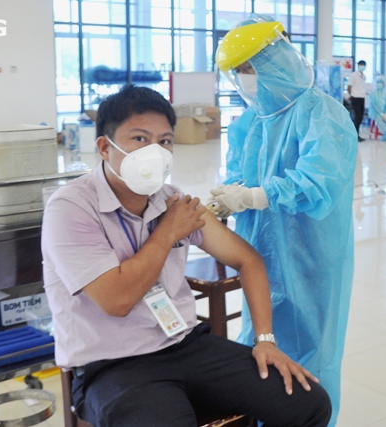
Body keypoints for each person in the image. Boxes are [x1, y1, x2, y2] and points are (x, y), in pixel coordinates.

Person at [41, 85, 332, 427]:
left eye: (164, 141)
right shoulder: (71, 208)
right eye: (139, 139)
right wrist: (168, 231)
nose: (156, 152)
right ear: (106, 147)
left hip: (185, 345)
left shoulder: (172, 200)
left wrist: (265, 340)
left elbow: (248, 260)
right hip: (113, 364)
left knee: (309, 403)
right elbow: (116, 300)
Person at [210, 17, 357, 426]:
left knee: (313, 349)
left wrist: (258, 196)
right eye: (238, 73)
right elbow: (240, 170)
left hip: (312, 255)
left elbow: (318, 183)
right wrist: (230, 196)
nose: (246, 81)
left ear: (276, 62)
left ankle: (313, 418)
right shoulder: (251, 121)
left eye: (249, 69)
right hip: (260, 251)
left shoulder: (321, 115)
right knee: (261, 338)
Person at [368, 75, 386, 141]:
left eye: (381, 83)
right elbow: (374, 106)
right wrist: (381, 114)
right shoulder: (372, 94)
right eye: (378, 83)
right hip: (375, 112)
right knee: (379, 119)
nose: (380, 84)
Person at [347, 60, 367, 142]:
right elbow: (349, 86)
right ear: (358, 65)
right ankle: (354, 135)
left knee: (360, 116)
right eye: (361, 65)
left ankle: (357, 134)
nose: (362, 66)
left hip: (361, 97)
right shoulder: (353, 75)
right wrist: (351, 95)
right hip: (355, 97)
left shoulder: (364, 76)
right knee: (357, 116)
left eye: (364, 65)